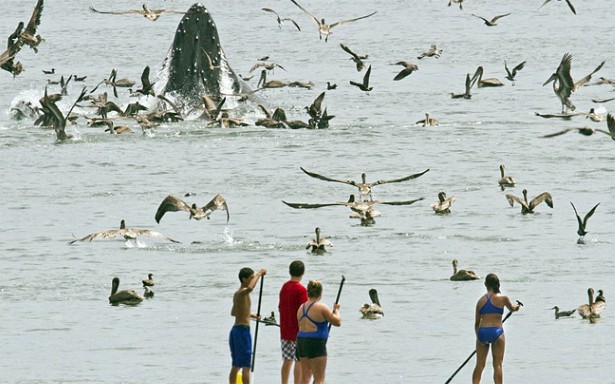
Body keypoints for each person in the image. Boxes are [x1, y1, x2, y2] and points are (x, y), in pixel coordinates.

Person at [472, 273, 521, 384]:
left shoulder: (480, 301)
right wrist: (517, 307)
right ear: (497, 284)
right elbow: (512, 309)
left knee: (479, 365)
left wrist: (478, 338)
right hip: (497, 332)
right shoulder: (503, 298)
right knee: (497, 364)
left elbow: (476, 324)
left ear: (486, 285)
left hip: (482, 332)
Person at [296, 280, 341, 384]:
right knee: (319, 379)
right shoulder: (321, 307)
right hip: (316, 343)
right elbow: (337, 322)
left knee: (305, 377)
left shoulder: (301, 308)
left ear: (308, 292)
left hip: (301, 342)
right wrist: (336, 310)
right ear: (320, 293)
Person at [228, 267, 267, 384]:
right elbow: (250, 288)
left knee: (236, 365)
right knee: (245, 365)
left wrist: (252, 315)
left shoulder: (238, 294)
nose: (252, 280)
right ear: (244, 279)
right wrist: (259, 274)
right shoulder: (241, 292)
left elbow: (234, 312)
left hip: (236, 331)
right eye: (251, 278)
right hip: (242, 332)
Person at [278, 260, 309, 384]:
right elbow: (304, 311)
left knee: (287, 360)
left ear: (289, 271)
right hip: (298, 330)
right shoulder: (301, 290)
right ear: (303, 273)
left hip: (285, 329)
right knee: (299, 360)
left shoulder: (284, 287)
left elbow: (280, 307)